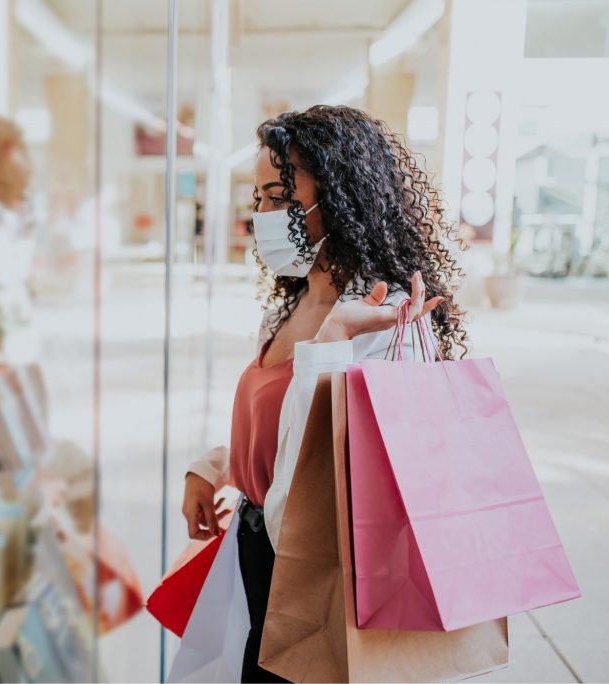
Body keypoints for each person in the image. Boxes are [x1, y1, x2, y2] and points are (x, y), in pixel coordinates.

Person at [181, 105, 469, 683]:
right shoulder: (284, 311)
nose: (261, 214)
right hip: (259, 554)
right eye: (258, 197)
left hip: (322, 578)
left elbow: (322, 493)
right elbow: (282, 434)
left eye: (279, 197)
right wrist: (215, 466)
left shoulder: (390, 324)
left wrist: (335, 338)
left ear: (341, 201)